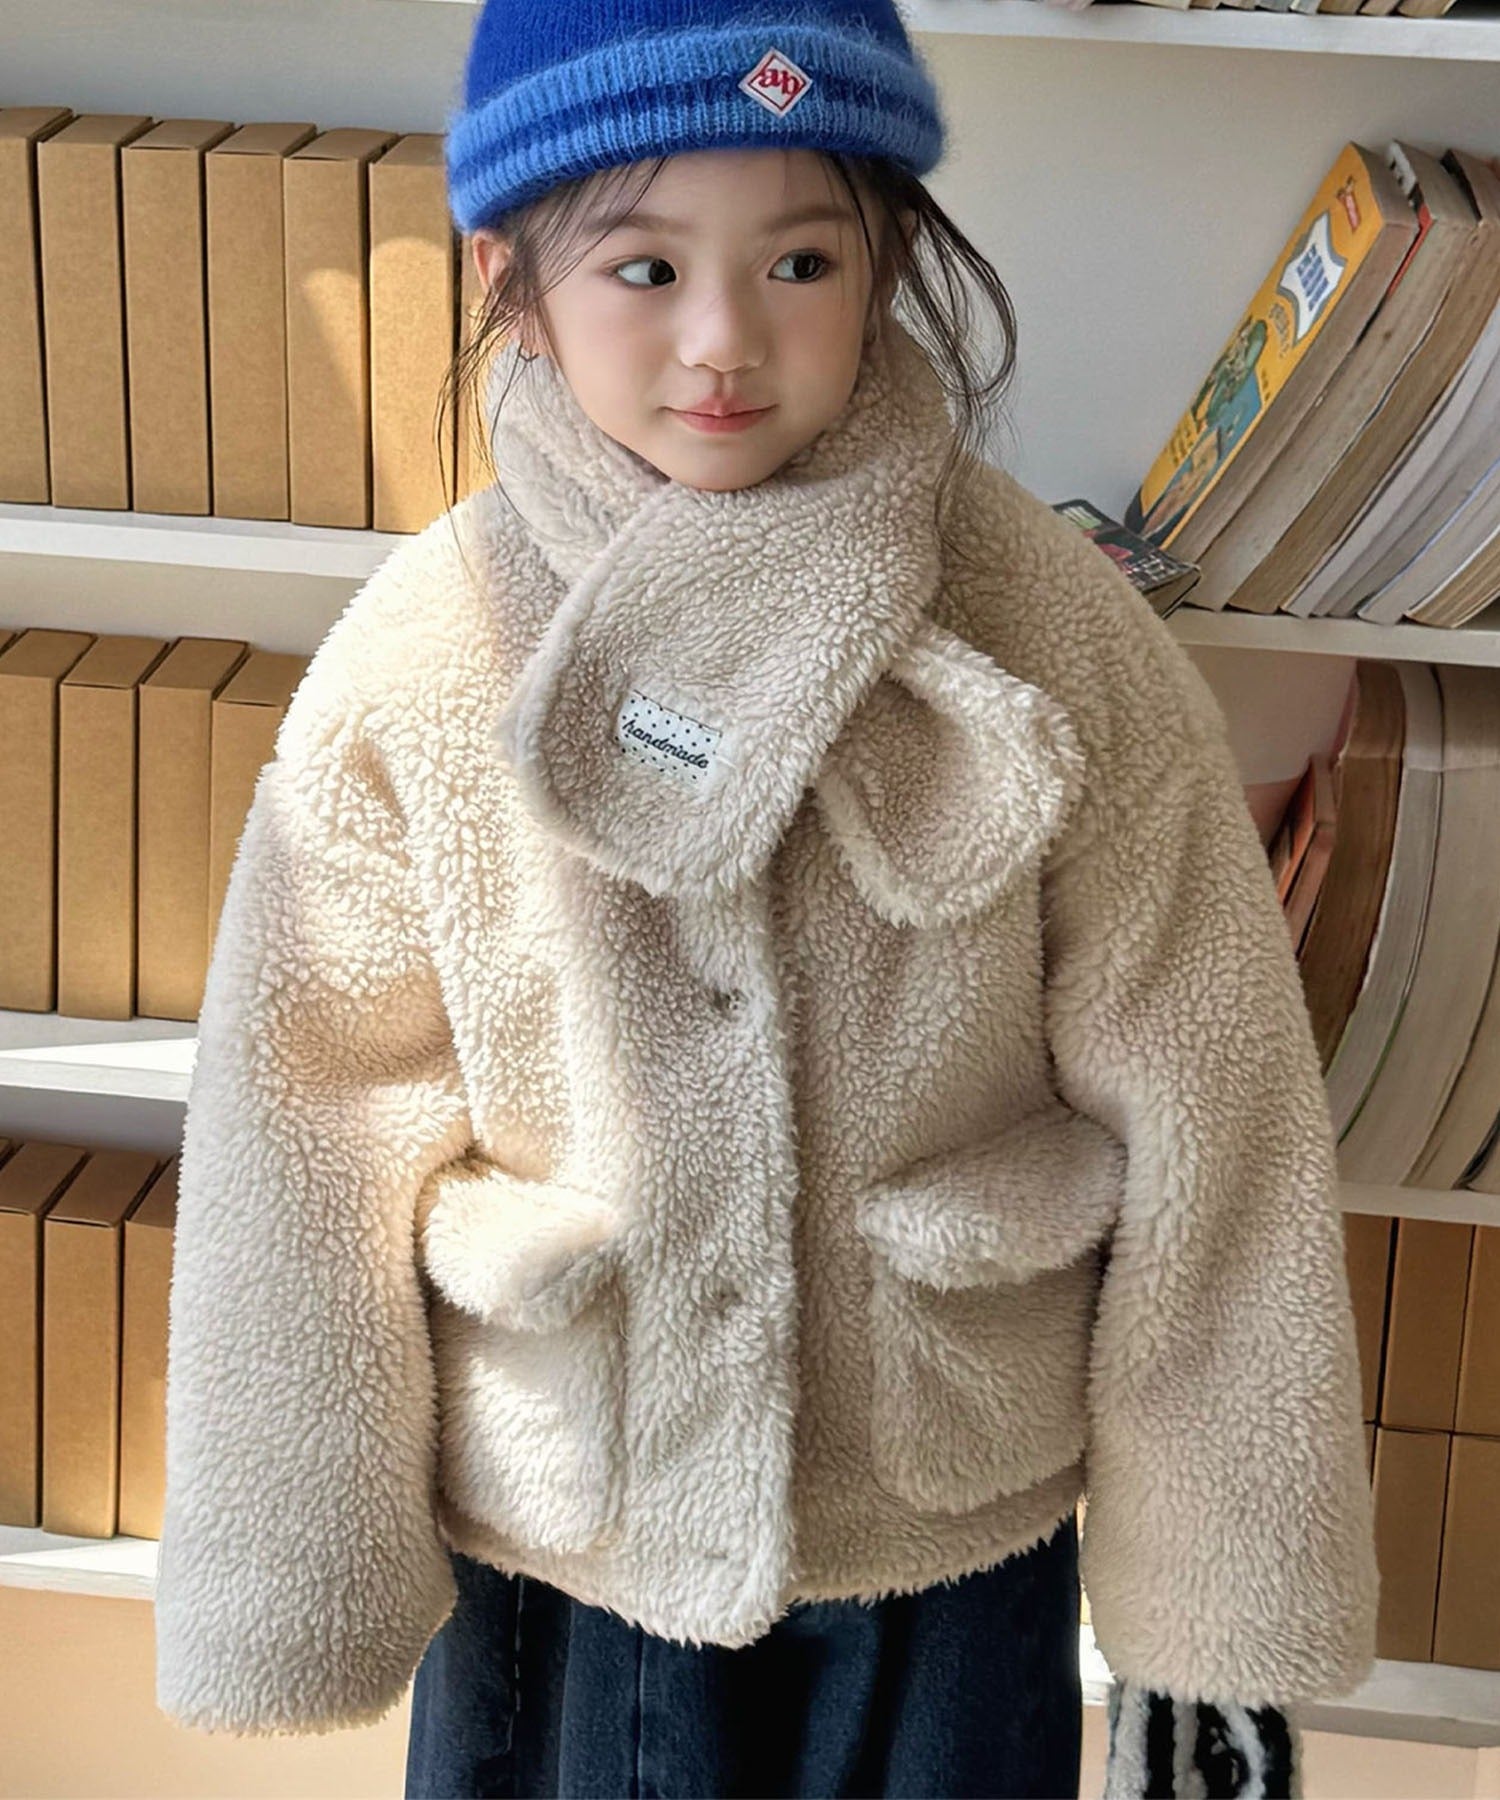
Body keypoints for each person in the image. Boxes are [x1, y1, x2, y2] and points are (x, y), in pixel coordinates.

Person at [151, 3, 1380, 1796]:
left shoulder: (1051, 630)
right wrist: (293, 1566)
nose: (724, 339)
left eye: (801, 260)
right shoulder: (430, 651)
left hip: (949, 1506)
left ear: (887, 259)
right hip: (575, 1524)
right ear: (511, 282)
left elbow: (1216, 1090)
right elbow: (305, 1117)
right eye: (644, 267)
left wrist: (1219, 1589)